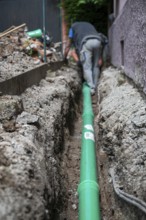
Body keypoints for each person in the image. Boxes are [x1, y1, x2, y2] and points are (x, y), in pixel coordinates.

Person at [64, 21, 108, 95]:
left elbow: (68, 43)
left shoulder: (72, 27)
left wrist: (64, 57)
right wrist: (100, 57)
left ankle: (91, 88)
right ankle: (96, 86)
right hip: (98, 41)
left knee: (87, 67)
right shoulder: (89, 25)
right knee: (96, 66)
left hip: (86, 42)